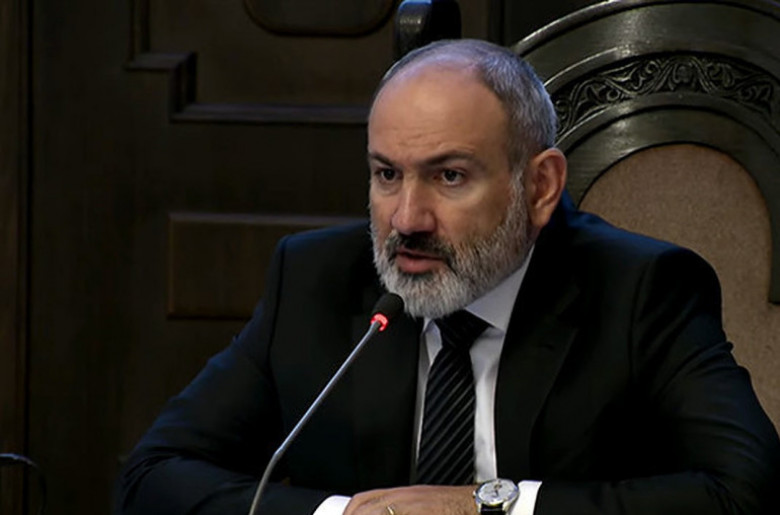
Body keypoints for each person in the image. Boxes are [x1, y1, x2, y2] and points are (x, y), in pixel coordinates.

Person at [115, 39, 780, 515]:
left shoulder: (642, 291)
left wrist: (489, 505)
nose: (407, 218)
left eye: (449, 176)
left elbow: (747, 491)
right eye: (387, 174)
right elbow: (152, 476)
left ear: (540, 186)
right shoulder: (316, 279)